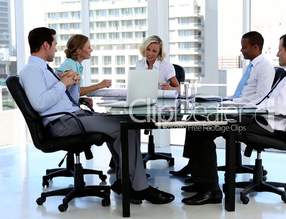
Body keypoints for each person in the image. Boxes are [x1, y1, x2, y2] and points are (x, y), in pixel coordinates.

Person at [19, 27, 174, 205]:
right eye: (54, 44)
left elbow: (59, 97)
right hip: (62, 123)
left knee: (124, 123)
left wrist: (71, 86)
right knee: (126, 126)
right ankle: (139, 188)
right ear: (45, 45)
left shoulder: (45, 69)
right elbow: (40, 103)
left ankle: (126, 182)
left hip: (72, 116)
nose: (56, 48)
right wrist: (62, 83)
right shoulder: (31, 70)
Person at [181, 32, 286, 205]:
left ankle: (210, 191)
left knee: (203, 128)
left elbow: (280, 107)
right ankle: (201, 182)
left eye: (280, 50)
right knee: (198, 123)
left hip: (266, 125)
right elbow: (269, 101)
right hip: (260, 119)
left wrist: (248, 109)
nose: (277, 54)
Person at [169, 31, 275, 178]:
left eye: (244, 47)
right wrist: (225, 99)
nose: (241, 50)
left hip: (246, 115)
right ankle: (193, 166)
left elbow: (260, 98)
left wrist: (232, 103)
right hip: (237, 106)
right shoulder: (252, 66)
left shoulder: (265, 67)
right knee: (193, 119)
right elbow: (244, 94)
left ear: (256, 47)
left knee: (200, 127)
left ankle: (207, 183)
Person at [56, 34, 111, 108]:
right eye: (88, 47)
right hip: (67, 112)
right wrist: (100, 85)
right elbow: (66, 92)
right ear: (79, 51)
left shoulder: (75, 64)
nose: (91, 50)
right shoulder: (69, 65)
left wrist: (80, 100)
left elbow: (71, 92)